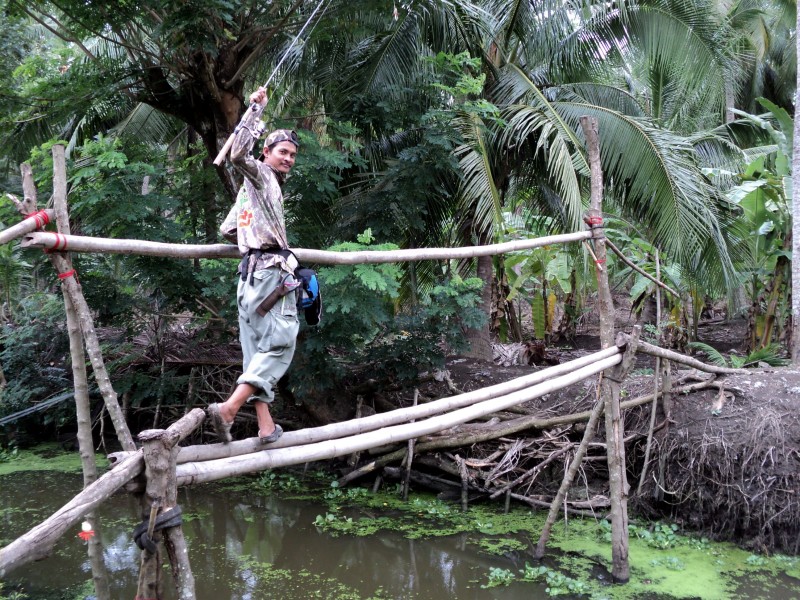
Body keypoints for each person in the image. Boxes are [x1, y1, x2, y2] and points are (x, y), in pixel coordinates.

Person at [208, 86, 301, 445]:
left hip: (248, 277)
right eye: (283, 152)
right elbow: (238, 155)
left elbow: (229, 229)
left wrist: (254, 242)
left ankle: (265, 427)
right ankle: (230, 408)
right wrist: (255, 111)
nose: (288, 159)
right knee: (280, 345)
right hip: (269, 277)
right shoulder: (261, 175)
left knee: (256, 354)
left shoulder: (252, 192)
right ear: (267, 153)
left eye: (293, 154)